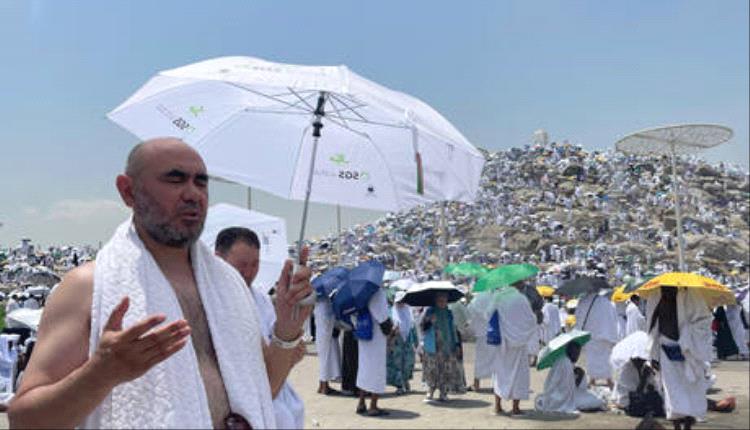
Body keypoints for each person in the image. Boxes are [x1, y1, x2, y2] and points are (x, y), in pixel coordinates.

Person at [8, 138, 313, 429]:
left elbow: (262, 391)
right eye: (175, 179)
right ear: (128, 191)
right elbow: (25, 422)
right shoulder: (87, 287)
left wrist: (286, 329)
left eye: (201, 182)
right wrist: (101, 373)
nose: (193, 194)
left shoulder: (229, 284)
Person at [214, 227, 307, 429]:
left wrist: (290, 347)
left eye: (255, 264)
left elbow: (280, 342)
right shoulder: (211, 304)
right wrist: (283, 353)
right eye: (241, 265)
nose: (249, 272)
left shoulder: (261, 299)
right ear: (218, 259)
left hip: (278, 396)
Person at [646, 286, 713, 430]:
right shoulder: (656, 298)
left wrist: (687, 335)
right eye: (665, 290)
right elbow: (652, 328)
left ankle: (688, 423)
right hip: (665, 349)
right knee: (672, 389)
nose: (667, 292)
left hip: (689, 351)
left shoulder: (691, 296)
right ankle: (676, 424)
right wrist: (653, 356)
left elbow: (704, 320)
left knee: (691, 388)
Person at [492, 282, 538, 415]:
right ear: (517, 283)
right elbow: (530, 319)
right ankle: (515, 408)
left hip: (502, 342)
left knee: (500, 373)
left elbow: (489, 315)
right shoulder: (521, 299)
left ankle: (497, 406)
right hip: (519, 344)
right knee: (519, 374)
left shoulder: (498, 297)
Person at [421, 292, 464, 402]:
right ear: (435, 300)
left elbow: (453, 328)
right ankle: (430, 391)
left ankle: (443, 392)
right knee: (432, 369)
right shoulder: (430, 311)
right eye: (440, 300)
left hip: (447, 345)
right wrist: (429, 321)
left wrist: (457, 344)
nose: (442, 302)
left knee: (446, 369)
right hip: (433, 345)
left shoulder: (449, 313)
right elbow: (422, 327)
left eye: (444, 300)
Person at [356, 286, 391, 416]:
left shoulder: (359, 291)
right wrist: (390, 329)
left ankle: (361, 402)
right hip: (376, 335)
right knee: (377, 369)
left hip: (363, 331)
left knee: (364, 368)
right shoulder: (376, 291)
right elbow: (381, 316)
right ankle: (373, 406)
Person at [575, 290, 618, 388]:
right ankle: (609, 380)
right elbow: (612, 318)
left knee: (592, 358)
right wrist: (613, 335)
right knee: (606, 358)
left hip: (590, 334)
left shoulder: (583, 301)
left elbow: (578, 317)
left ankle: (592, 380)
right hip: (605, 334)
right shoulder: (606, 302)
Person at [535, 341, 581, 415]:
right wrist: (548, 395)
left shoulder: (567, 361)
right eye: (577, 353)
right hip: (556, 394)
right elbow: (554, 382)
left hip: (562, 394)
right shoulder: (563, 362)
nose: (578, 356)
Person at [313, 285, 342, 395]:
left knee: (324, 359)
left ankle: (323, 385)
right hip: (325, 334)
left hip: (322, 334)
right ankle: (324, 387)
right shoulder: (324, 303)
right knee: (325, 359)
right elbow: (327, 321)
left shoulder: (319, 302)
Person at [386, 292, 417, 394]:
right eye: (399, 302)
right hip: (396, 342)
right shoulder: (391, 313)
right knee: (397, 364)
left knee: (408, 363)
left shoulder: (408, 312)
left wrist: (416, 343)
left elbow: (413, 329)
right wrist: (393, 330)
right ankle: (399, 385)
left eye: (403, 301)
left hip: (407, 342)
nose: (401, 303)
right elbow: (387, 329)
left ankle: (405, 381)